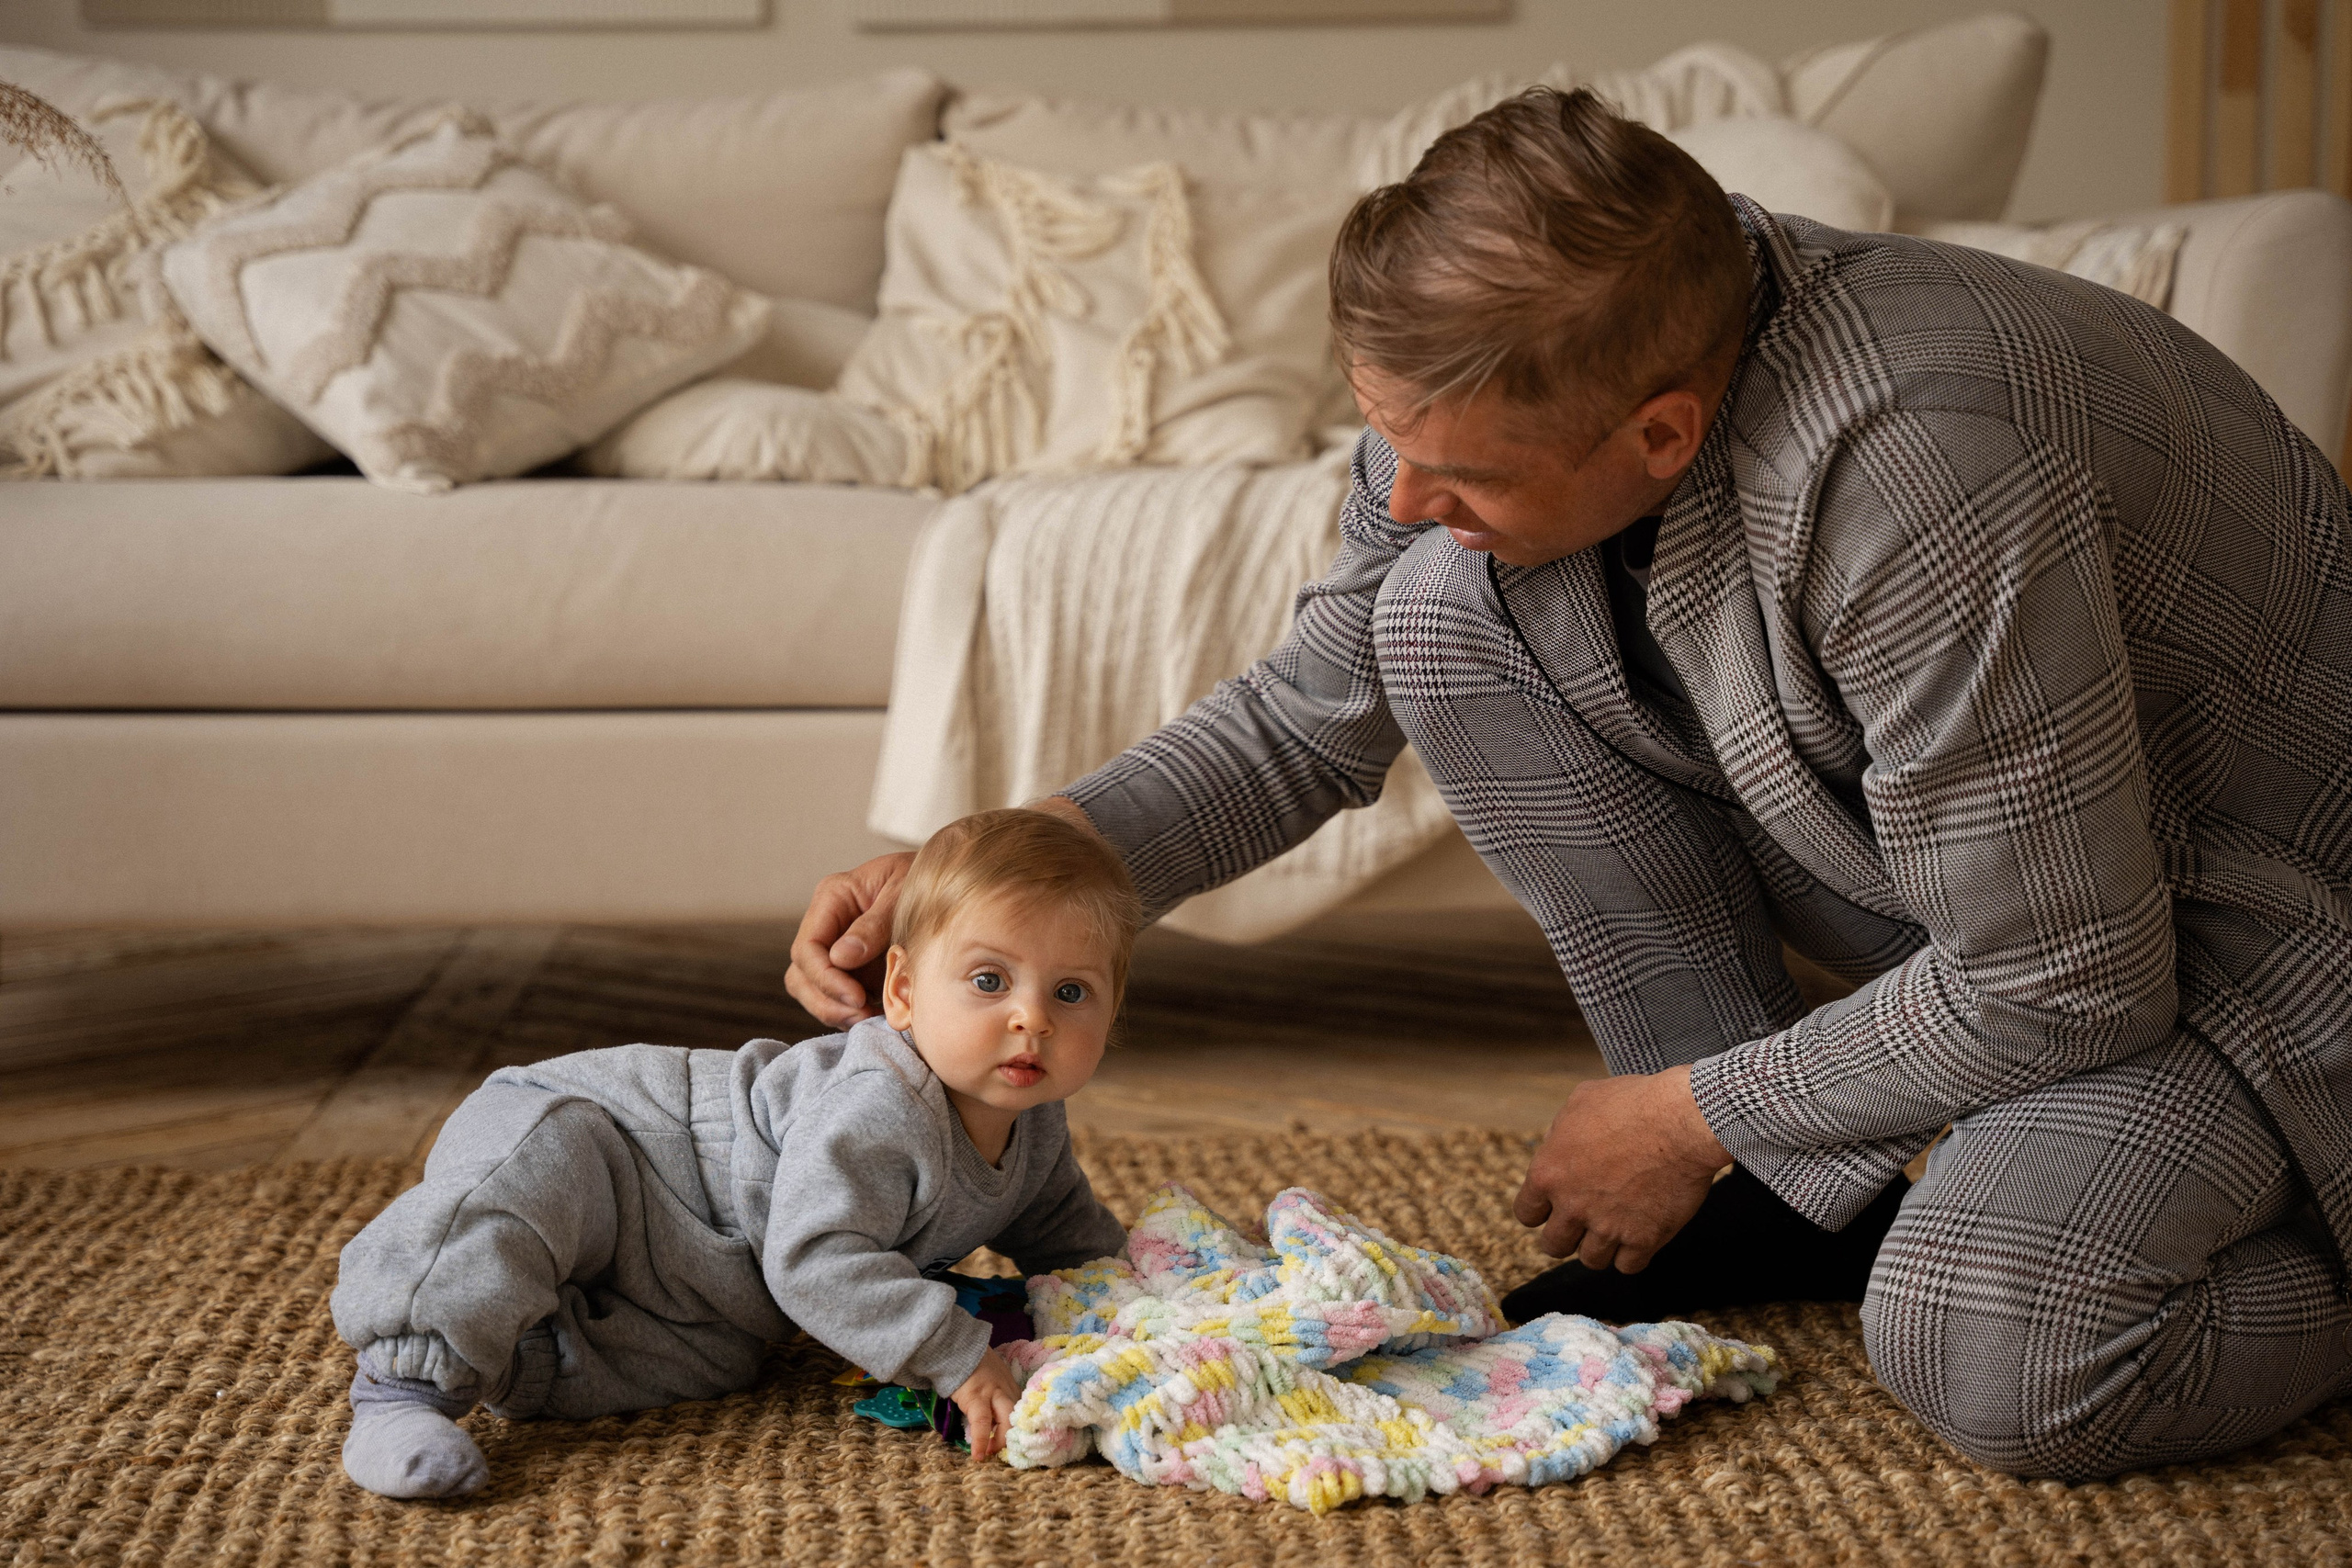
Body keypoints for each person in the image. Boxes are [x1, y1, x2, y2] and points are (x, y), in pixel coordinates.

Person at [791, 87, 2352, 1482]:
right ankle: (1782, 1194)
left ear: (1661, 431)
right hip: (2009, 893)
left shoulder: (1916, 472)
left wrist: (1683, 1113)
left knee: (1990, 1344)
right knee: (1441, 615)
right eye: (1385, 440)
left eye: (1453, 471)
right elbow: (1310, 717)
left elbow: (2065, 971)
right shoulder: (1533, 370)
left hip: (2252, 953)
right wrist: (982, 863)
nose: (1400, 495)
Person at [335, 809, 1136, 1497]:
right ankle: (405, 1383)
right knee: (527, 1191)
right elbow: (818, 1259)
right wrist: (956, 1355)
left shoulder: (1033, 1117)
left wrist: (1152, 1289)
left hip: (708, 1271)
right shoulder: (879, 1104)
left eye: (1070, 992)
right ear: (902, 991)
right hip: (612, 1144)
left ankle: (511, 1360)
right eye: (990, 979)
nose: (1032, 1019)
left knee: (717, 1359)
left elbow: (1062, 1227)